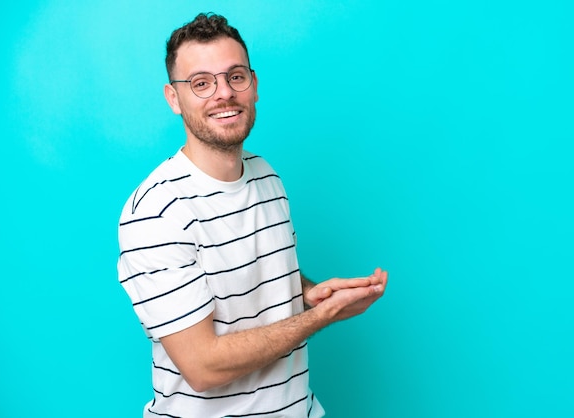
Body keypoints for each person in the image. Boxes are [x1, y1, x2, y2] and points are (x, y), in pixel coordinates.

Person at [117, 12, 388, 418]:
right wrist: (319, 318)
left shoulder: (267, 176)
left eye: (235, 76)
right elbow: (203, 367)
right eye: (201, 83)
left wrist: (312, 295)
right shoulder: (157, 212)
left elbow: (262, 283)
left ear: (254, 85)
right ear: (174, 99)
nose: (223, 93)